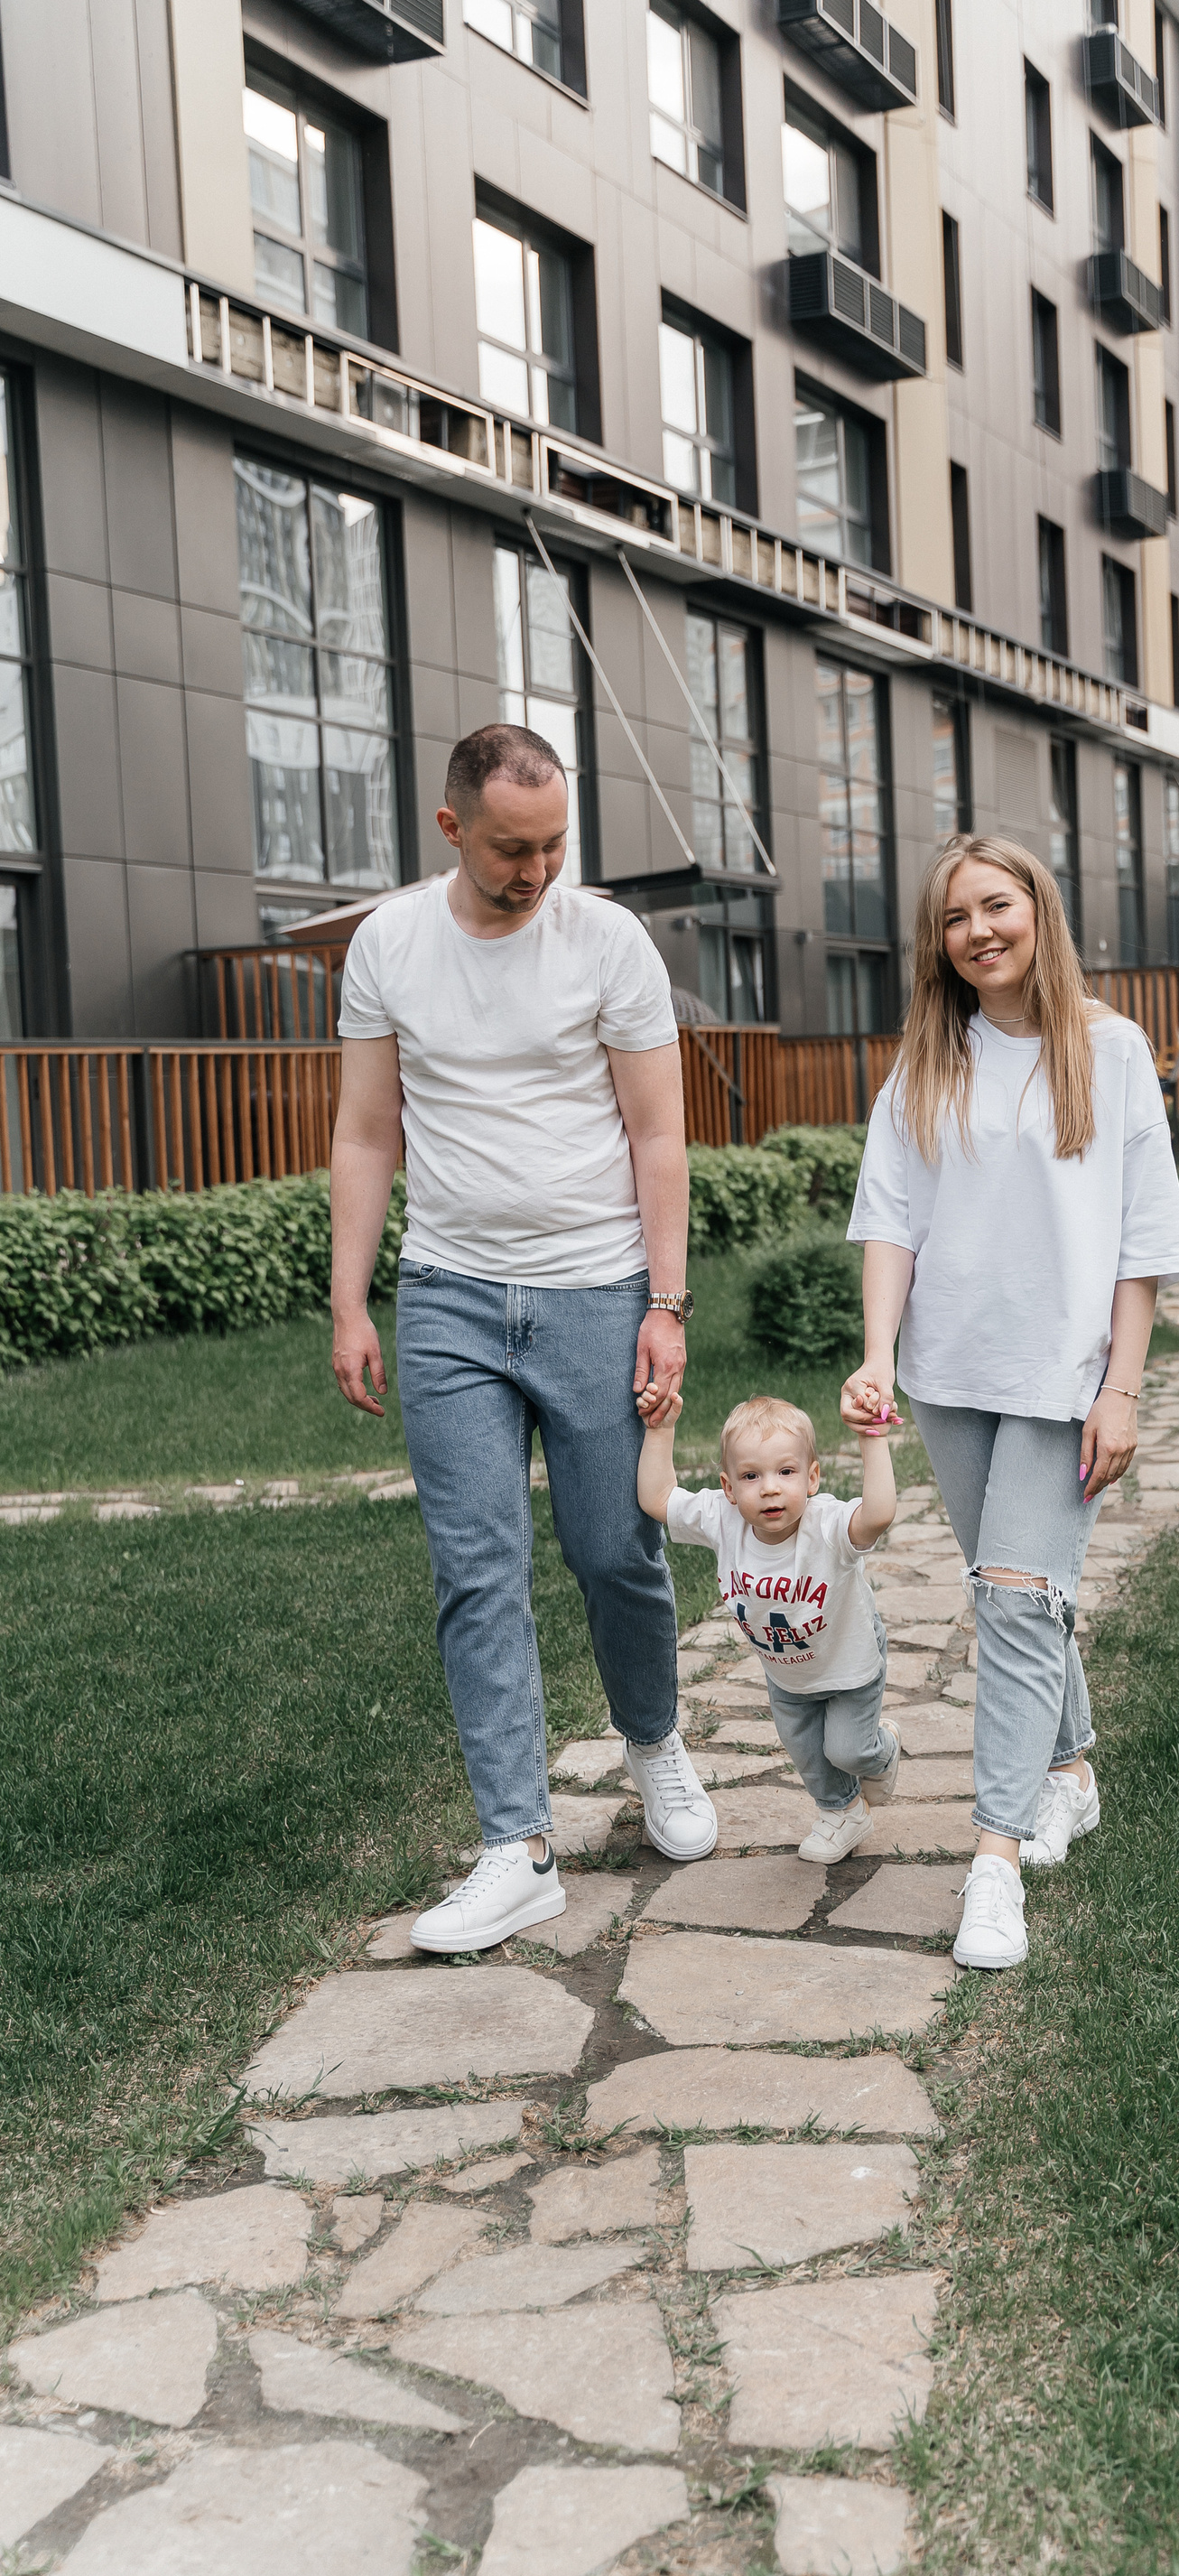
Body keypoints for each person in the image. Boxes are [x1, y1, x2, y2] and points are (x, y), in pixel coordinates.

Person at [330, 723, 717, 1957]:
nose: (537, 870)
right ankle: (518, 1845)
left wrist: (666, 1305)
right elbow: (367, 1131)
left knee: (615, 1551)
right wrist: (351, 1299)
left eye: (554, 845)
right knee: (476, 1571)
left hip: (598, 1293)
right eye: (510, 848)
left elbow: (659, 1135)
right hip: (449, 1298)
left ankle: (653, 1742)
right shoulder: (390, 943)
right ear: (452, 828)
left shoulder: (607, 941)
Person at [842, 835, 1179, 1971]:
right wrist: (877, 1355)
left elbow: (1143, 1239)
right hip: (949, 1377)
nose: (978, 932)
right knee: (1019, 1599)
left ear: (1038, 909)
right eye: (955, 918)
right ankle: (1069, 1771)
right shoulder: (926, 1063)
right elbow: (891, 1222)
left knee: (1010, 1601)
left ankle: (992, 1862)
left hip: (1063, 1378)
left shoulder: (1111, 1048)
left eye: (996, 906)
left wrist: (1122, 1388)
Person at [639, 1391, 904, 1861]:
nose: (769, 1489)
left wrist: (872, 1438)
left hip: (849, 1663)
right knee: (808, 1753)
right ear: (728, 1487)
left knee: (848, 1751)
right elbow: (657, 1499)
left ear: (812, 1477)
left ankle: (881, 1752)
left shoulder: (827, 1527)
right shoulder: (724, 1520)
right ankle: (843, 1812)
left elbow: (878, 1514)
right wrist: (660, 1430)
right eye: (751, 1476)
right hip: (787, 1674)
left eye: (786, 1472)